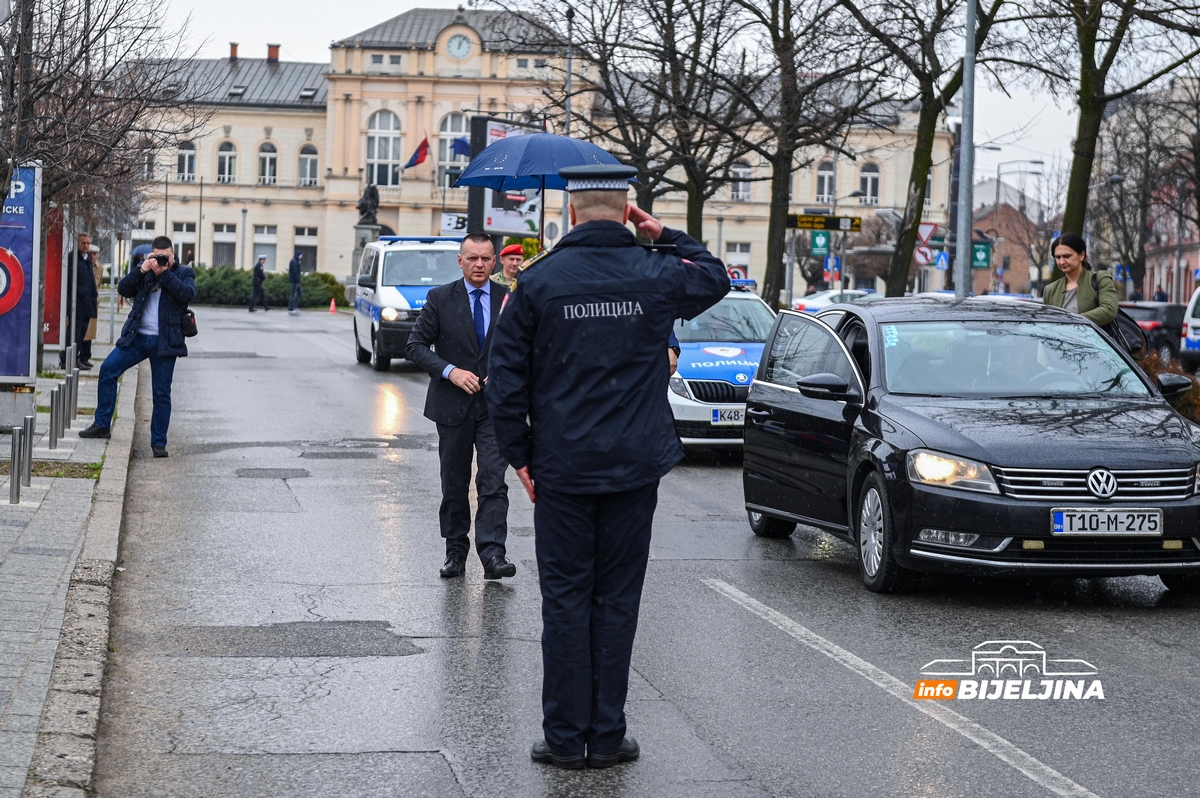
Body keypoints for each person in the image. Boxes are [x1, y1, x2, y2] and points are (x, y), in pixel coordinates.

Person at [487, 164, 729, 770]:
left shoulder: (538, 284)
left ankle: (565, 740)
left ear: (571, 213)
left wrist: (520, 457)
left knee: (566, 601)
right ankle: (608, 734)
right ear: (627, 212)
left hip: (562, 468)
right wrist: (662, 231)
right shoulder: (656, 273)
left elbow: (506, 380)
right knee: (616, 600)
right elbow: (718, 278)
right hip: (633, 467)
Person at [405, 232, 515, 581]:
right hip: (452, 406)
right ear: (460, 260)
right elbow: (415, 346)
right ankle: (455, 551)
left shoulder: (509, 300)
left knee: (493, 480)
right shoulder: (440, 298)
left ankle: (493, 553)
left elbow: (525, 349)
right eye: (472, 258)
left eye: (485, 258)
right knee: (454, 481)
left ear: (494, 261)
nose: (479, 264)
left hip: (495, 408)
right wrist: (450, 372)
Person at [79, 236, 196, 458]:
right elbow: (123, 288)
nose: (162, 260)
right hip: (138, 338)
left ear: (173, 255)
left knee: (161, 393)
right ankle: (102, 424)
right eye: (157, 256)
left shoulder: (182, 273)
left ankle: (158, 443)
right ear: (151, 254)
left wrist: (165, 273)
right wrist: (142, 270)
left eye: (166, 257)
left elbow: (187, 294)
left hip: (165, 342)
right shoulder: (145, 269)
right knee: (108, 370)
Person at [1042, 233, 1117, 328]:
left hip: (1092, 342)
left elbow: (1109, 310)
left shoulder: (1100, 279)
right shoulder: (1050, 290)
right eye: (1058, 257)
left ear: (1081, 255)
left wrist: (1071, 320)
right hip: (1059, 342)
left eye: (1067, 256)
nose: (1061, 262)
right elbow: (1046, 324)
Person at [62, 233, 99, 370]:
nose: (86, 246)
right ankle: (66, 358)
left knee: (82, 332)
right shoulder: (73, 258)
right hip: (77, 303)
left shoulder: (87, 258)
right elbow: (70, 280)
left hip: (88, 303)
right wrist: (82, 291)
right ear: (78, 243)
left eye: (88, 243)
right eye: (83, 243)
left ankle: (77, 358)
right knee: (74, 332)